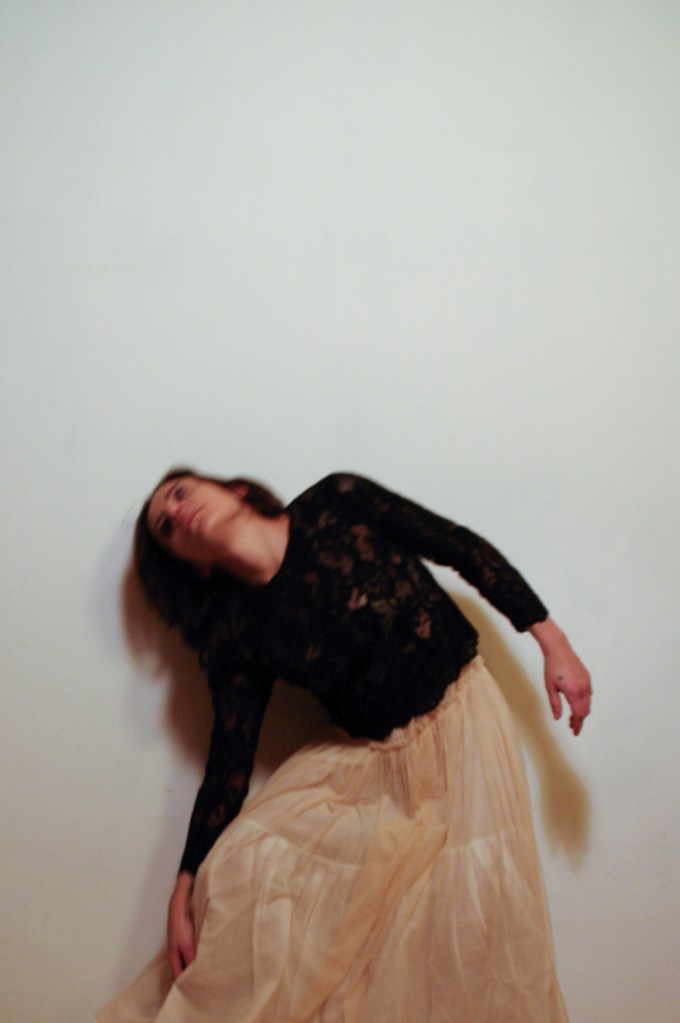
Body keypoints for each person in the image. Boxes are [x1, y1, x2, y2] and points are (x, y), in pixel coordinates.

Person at [98, 469, 591, 1023]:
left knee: (471, 926)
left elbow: (459, 547)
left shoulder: (338, 502)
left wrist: (555, 644)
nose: (177, 512)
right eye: (166, 527)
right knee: (239, 870)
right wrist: (185, 882)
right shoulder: (235, 633)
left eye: (181, 492)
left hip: (465, 728)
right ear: (196, 566)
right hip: (370, 768)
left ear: (234, 489)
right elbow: (229, 762)